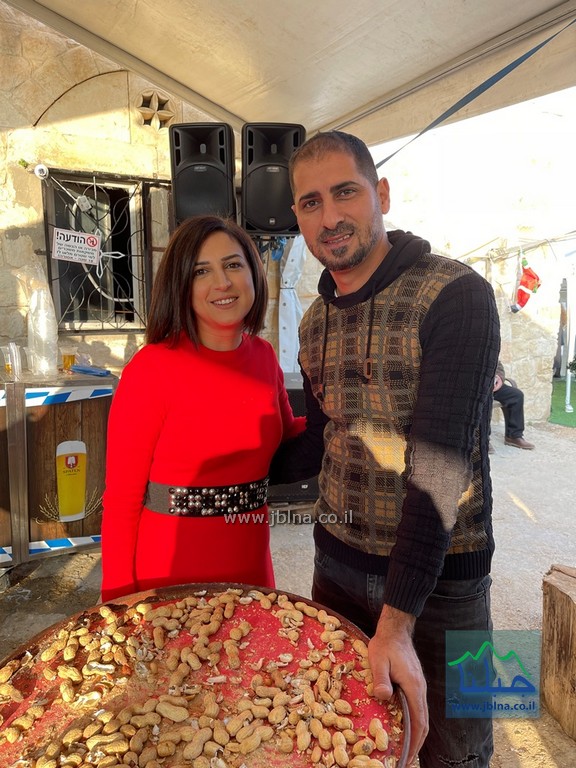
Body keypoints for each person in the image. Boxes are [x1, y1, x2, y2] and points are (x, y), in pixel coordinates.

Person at [269, 131, 500, 767]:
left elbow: (441, 467)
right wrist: (221, 472)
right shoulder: (313, 322)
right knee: (343, 746)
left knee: (462, 753)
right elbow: (320, 441)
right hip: (337, 567)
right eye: (311, 202)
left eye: (345, 192)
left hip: (450, 582)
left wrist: (397, 622)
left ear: (383, 195)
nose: (329, 217)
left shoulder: (459, 294)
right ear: (297, 217)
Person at [101, 215, 304, 603]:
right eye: (201, 271)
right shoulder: (151, 369)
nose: (222, 282)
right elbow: (122, 501)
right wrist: (117, 598)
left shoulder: (263, 356)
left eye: (233, 264)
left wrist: (352, 414)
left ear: (253, 272)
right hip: (170, 576)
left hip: (252, 567)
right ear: (181, 285)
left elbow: (291, 433)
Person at [493, 361, 535, 450]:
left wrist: (499, 378)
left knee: (516, 395)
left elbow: (498, 365)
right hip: (475, 387)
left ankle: (513, 436)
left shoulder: (490, 352)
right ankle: (481, 441)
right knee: (483, 400)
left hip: (493, 385)